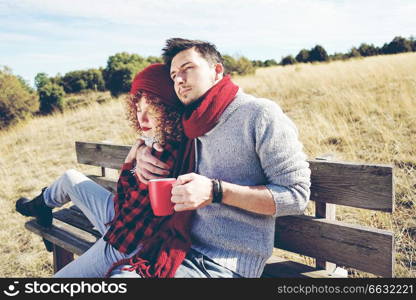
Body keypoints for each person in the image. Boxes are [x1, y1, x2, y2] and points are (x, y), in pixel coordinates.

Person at [129, 38, 312, 278]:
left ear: (216, 70)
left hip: (226, 263)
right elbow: (152, 137)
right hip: (179, 247)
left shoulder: (258, 114)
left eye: (187, 69)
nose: (179, 80)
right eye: (174, 76)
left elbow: (297, 196)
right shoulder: (189, 122)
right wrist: (139, 153)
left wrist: (216, 192)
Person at [15, 63, 192, 277]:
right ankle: (40, 206)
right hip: (118, 217)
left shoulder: (161, 154)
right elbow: (126, 196)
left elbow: (128, 193)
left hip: (124, 242)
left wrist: (132, 162)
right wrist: (138, 151)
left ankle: (40, 206)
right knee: (70, 178)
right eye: (138, 109)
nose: (141, 119)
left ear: (168, 108)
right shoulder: (156, 139)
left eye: (152, 110)